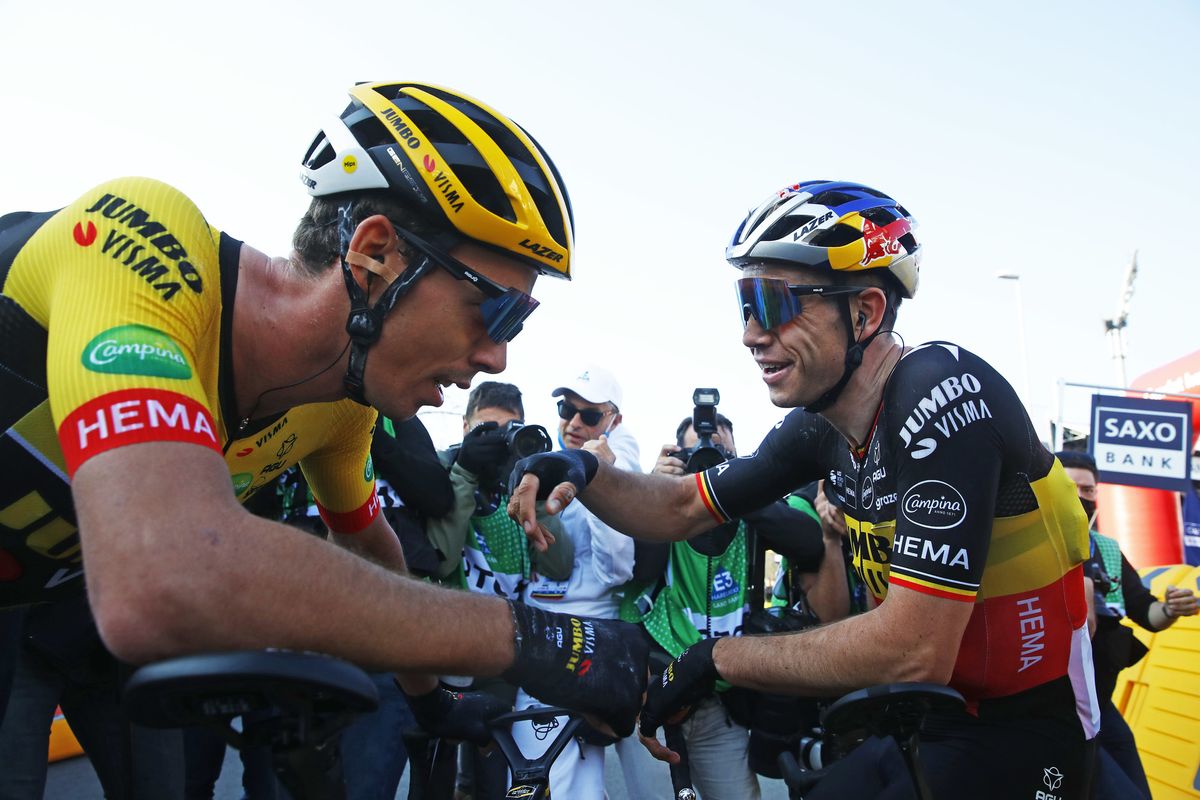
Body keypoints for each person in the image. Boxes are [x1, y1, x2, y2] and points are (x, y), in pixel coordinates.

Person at [0, 81, 648, 786]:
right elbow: (167, 575)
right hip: (81, 605)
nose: (497, 357)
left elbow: (374, 555)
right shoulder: (144, 240)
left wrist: (429, 700)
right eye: (496, 314)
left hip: (63, 603)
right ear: (377, 255)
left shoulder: (343, 410)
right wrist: (534, 641)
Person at [510, 180, 1098, 798]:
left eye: (771, 303)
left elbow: (914, 646)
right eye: (744, 305)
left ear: (866, 312)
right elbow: (683, 505)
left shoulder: (942, 392)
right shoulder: (818, 429)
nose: (749, 334)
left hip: (1029, 728)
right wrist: (581, 469)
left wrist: (716, 659)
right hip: (933, 719)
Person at [624, 412, 843, 800]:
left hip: (719, 704)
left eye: (721, 454)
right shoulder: (668, 507)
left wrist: (736, 489)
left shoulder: (751, 510)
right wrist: (655, 488)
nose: (709, 463)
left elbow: (807, 543)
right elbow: (640, 567)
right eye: (699, 454)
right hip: (655, 689)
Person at [422, 381, 574, 800]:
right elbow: (444, 558)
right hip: (446, 651)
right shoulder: (444, 467)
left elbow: (559, 564)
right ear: (465, 424)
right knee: (439, 779)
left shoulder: (519, 485)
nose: (499, 440)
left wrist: (538, 489)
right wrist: (466, 472)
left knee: (493, 780)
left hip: (503, 657)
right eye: (487, 429)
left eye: (511, 429)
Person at [511, 366, 639, 800]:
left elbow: (618, 570)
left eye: (591, 415)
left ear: (614, 421)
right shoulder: (539, 456)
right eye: (567, 409)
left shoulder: (619, 458)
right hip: (531, 631)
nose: (575, 423)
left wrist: (601, 481)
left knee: (577, 788)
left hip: (588, 636)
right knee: (532, 781)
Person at [1057, 450, 1198, 800]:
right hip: (1051, 708)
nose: (1080, 496)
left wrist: (1171, 608)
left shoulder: (1107, 550)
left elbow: (1145, 613)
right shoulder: (1028, 546)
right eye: (1069, 486)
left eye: (1088, 490)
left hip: (1100, 705)